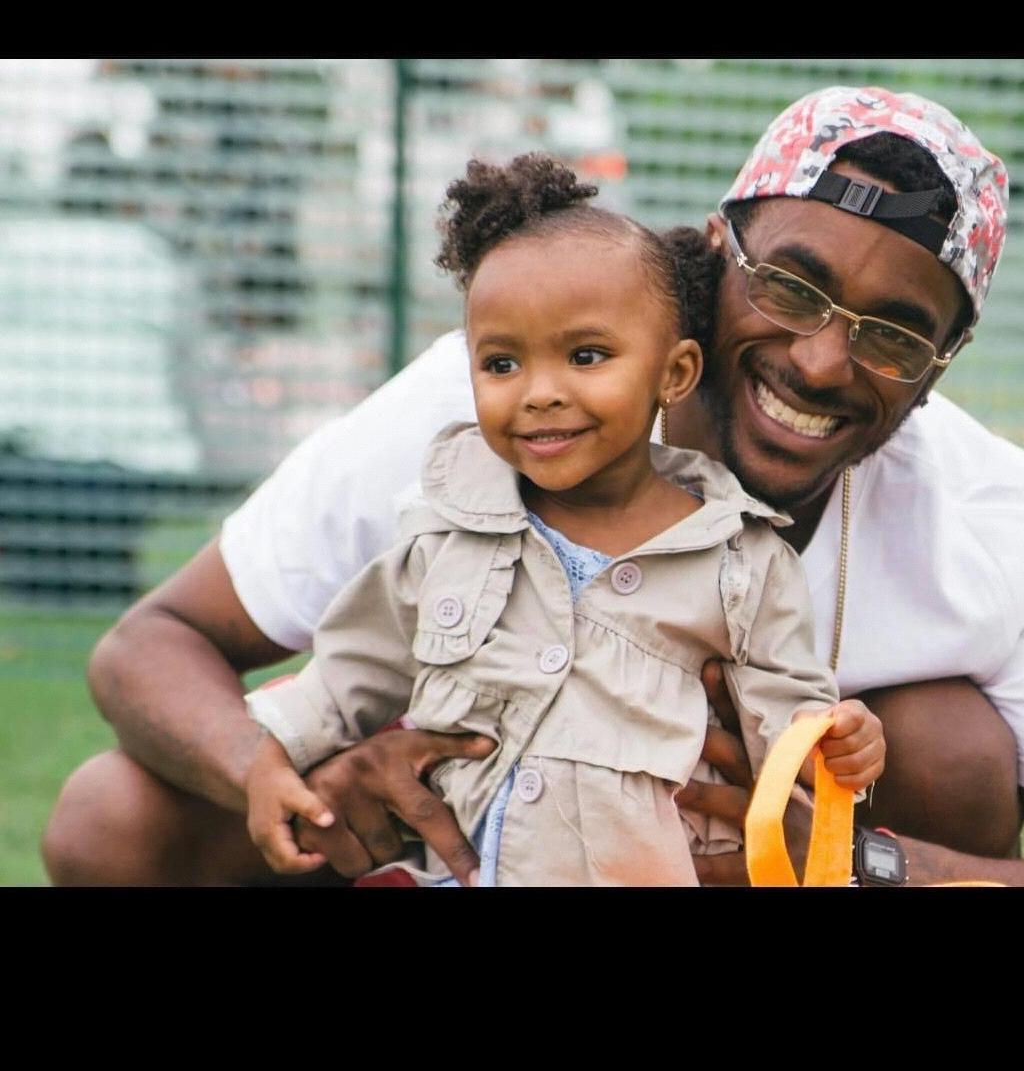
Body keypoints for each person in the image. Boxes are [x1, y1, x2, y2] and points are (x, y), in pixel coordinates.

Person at [44, 85, 1024, 888]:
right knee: (112, 817)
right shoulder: (507, 394)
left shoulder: (978, 513)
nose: (819, 361)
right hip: (470, 829)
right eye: (790, 287)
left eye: (893, 334)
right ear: (714, 252)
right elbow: (153, 641)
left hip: (735, 861)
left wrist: (856, 861)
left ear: (940, 364)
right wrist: (289, 770)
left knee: (948, 742)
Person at [242, 153, 882, 886]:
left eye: (585, 355)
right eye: (502, 364)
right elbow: (351, 669)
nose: (539, 392)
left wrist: (834, 743)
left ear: (673, 374)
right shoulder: (445, 530)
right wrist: (270, 754)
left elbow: (789, 714)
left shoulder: (739, 559)